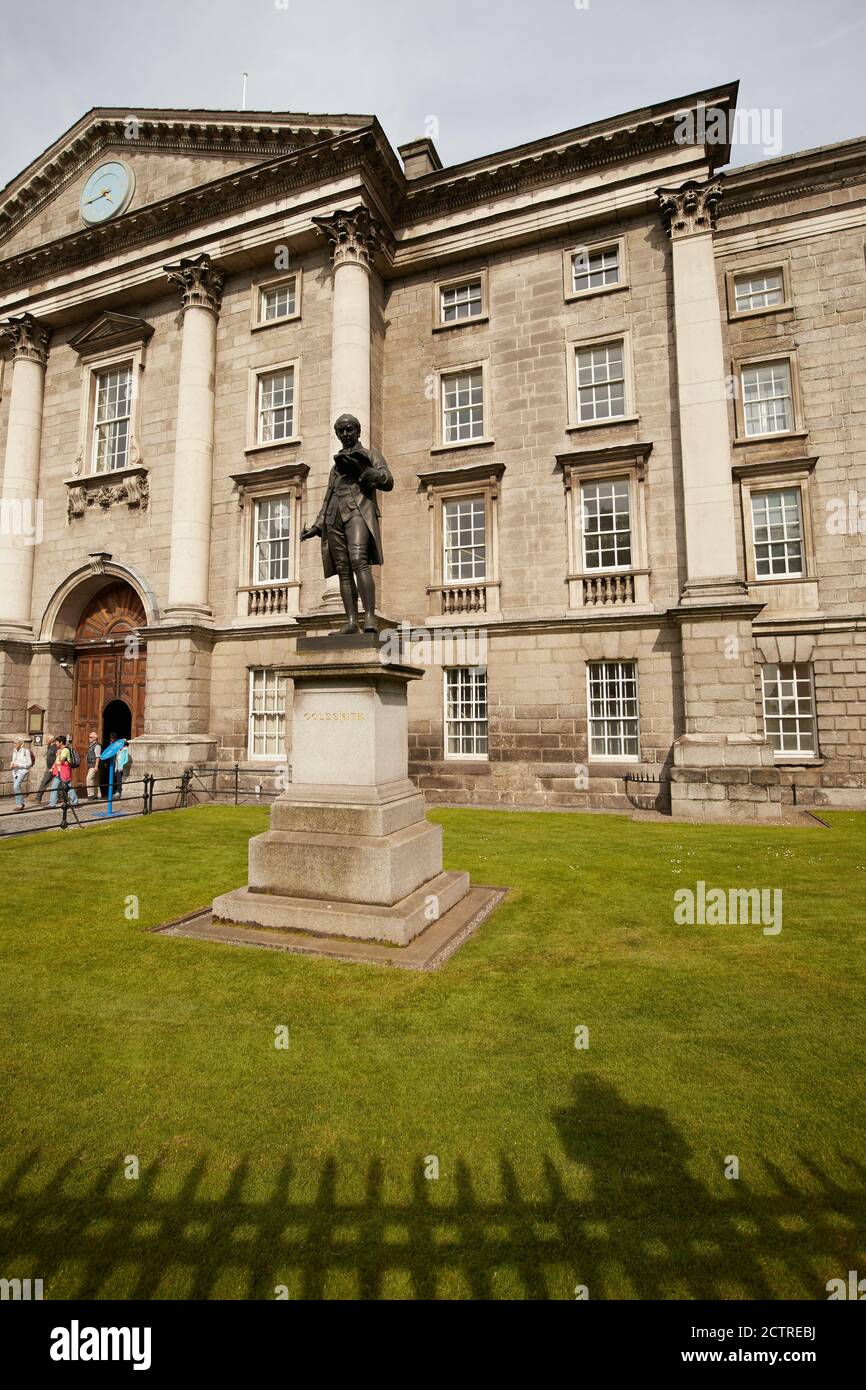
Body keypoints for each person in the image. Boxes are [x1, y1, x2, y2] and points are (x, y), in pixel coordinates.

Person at [300, 414, 393, 634]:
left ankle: (369, 617)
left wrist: (361, 471)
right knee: (342, 570)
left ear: (358, 431)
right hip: (334, 518)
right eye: (341, 431)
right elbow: (329, 495)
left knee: (358, 560)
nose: (345, 434)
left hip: (357, 512)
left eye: (349, 429)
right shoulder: (336, 466)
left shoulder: (371, 455)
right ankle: (351, 622)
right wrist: (317, 525)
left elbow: (387, 481)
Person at [48, 735, 79, 809]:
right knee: (54, 787)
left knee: (68, 787)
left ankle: (75, 801)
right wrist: (52, 767)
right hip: (59, 772)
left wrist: (58, 754)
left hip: (64, 771)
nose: (56, 744)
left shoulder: (65, 750)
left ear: (61, 742)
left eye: (57, 742)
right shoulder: (60, 750)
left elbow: (62, 760)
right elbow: (57, 760)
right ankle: (52, 804)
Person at [10, 738, 35, 810]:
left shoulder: (25, 751)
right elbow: (14, 760)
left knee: (16, 786)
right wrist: (11, 764)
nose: (14, 744)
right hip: (15, 772)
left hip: (22, 771)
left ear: (21, 744)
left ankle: (19, 805)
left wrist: (18, 765)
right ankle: (21, 803)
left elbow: (29, 763)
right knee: (16, 787)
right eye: (13, 743)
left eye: (15, 743)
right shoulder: (14, 751)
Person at [34, 736, 60, 802]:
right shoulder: (49, 746)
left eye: (47, 739)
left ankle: (61, 797)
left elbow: (57, 757)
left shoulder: (55, 747)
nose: (46, 740)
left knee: (59, 783)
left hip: (54, 768)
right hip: (49, 767)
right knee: (44, 782)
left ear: (51, 740)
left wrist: (53, 767)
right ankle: (38, 798)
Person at [84, 730, 102, 799]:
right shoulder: (91, 745)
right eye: (89, 737)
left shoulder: (97, 746)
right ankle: (98, 795)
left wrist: (96, 766)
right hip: (91, 765)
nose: (89, 738)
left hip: (93, 765)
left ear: (95, 738)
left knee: (89, 778)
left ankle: (91, 795)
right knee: (95, 780)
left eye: (90, 737)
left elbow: (98, 756)